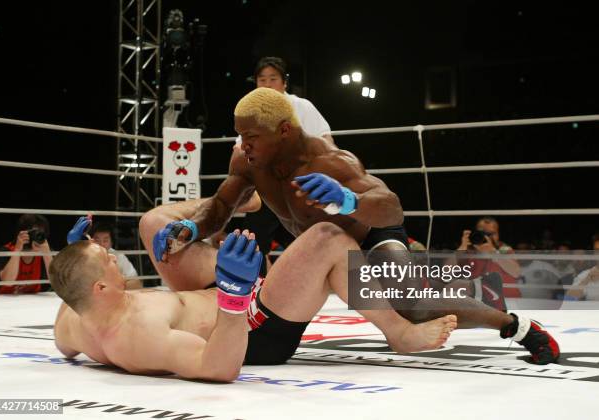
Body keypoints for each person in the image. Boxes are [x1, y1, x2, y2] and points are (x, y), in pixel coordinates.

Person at [145, 88, 559, 364]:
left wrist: (348, 201)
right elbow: (220, 207)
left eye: (251, 136)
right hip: (328, 249)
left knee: (412, 304)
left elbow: (391, 209)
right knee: (360, 273)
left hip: (373, 236)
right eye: (240, 136)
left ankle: (514, 325)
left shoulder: (328, 161)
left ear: (284, 130)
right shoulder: (247, 162)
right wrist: (190, 230)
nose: (243, 145)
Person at [51, 225, 457, 381]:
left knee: (157, 224)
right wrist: (233, 296)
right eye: (104, 260)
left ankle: (240, 211)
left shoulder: (72, 317)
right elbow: (218, 367)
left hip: (221, 300)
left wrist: (74, 254)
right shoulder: (140, 334)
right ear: (100, 289)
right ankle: (399, 331)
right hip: (249, 329)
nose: (111, 254)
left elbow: (69, 301)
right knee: (328, 240)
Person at [237, 56, 333, 275]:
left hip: (301, 184)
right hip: (267, 187)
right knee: (255, 239)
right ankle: (257, 287)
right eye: (263, 80)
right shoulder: (249, 111)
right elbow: (239, 150)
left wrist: (324, 173)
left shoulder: (301, 106)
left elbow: (326, 140)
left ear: (284, 82)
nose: (268, 84)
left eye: (273, 79)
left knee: (310, 237)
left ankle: (318, 281)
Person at [66, 217, 142, 290]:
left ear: (111, 242)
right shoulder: (83, 255)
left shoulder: (118, 256)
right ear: (91, 241)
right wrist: (73, 248)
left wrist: (111, 288)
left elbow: (136, 283)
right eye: (97, 240)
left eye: (105, 240)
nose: (101, 244)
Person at [0, 214, 52, 294]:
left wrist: (47, 253)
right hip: (5, 300)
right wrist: (17, 250)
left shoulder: (44, 252)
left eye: (40, 233)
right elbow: (8, 282)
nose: (36, 236)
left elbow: (55, 282)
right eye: (33, 232)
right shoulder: (7, 250)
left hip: (34, 301)